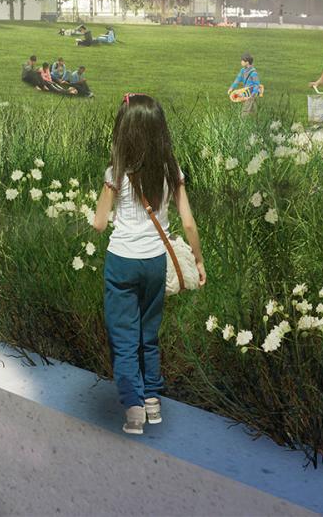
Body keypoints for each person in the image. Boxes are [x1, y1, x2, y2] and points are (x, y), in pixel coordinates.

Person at [92, 93, 204, 435]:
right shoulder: (172, 172)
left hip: (122, 262)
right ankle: (153, 401)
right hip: (156, 261)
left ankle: (134, 410)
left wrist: (99, 211)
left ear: (123, 132)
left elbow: (99, 223)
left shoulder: (117, 173)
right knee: (147, 335)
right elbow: (187, 223)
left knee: (123, 338)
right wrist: (198, 260)